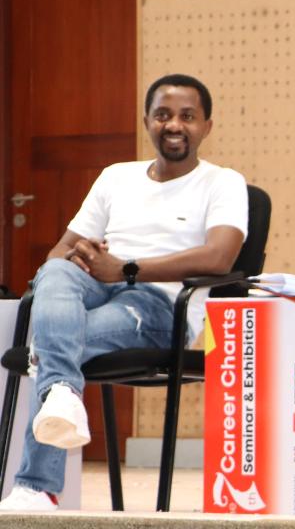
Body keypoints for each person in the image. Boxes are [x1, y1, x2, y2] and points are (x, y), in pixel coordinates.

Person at [0, 74, 248, 512]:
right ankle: (62, 394)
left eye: (187, 116)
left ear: (206, 126)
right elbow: (62, 248)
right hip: (93, 284)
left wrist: (126, 270)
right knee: (55, 269)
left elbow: (219, 259)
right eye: (163, 114)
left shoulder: (223, 182)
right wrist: (82, 260)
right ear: (147, 121)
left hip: (158, 304)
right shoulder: (116, 177)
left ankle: (38, 487)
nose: (174, 125)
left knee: (52, 346)